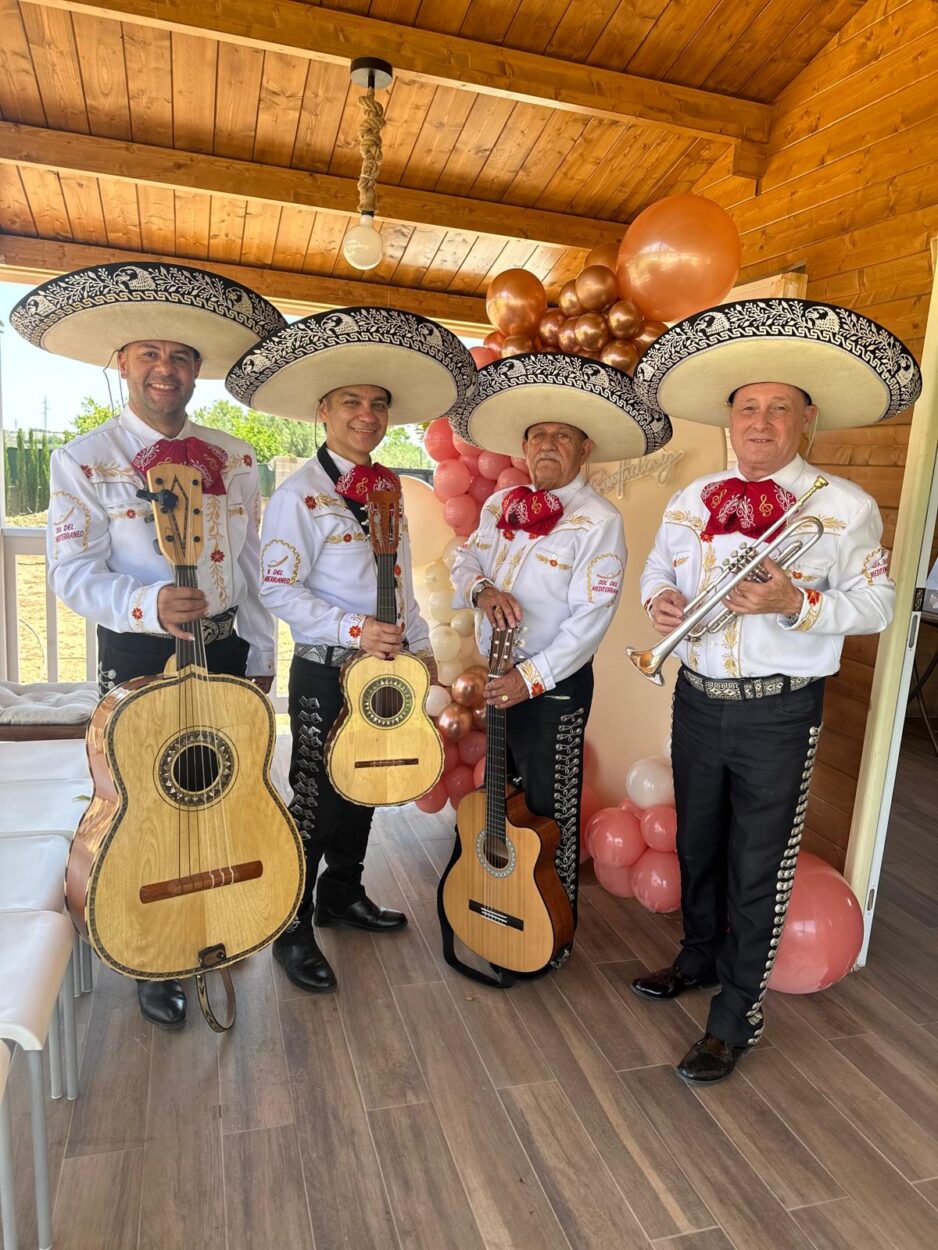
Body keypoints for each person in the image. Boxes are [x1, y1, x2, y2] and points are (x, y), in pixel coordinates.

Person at [630, 298, 922, 1083]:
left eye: (778, 409)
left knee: (759, 862)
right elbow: (661, 568)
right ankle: (696, 959)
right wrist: (659, 601)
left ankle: (737, 1016)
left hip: (779, 709)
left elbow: (878, 605)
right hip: (696, 696)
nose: (760, 421)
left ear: (805, 420)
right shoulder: (694, 498)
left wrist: (797, 602)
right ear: (731, 419)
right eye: (748, 407)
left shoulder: (844, 507)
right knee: (697, 840)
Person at [12, 260, 286, 1029]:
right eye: (150, 354)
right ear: (123, 362)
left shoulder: (235, 456)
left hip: (227, 648)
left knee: (226, 791)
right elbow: (70, 572)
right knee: (148, 802)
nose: (166, 369)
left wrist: (261, 658)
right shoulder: (84, 458)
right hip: (139, 653)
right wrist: (146, 602)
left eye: (181, 356)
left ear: (198, 369)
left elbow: (257, 567)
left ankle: (220, 915)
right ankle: (155, 946)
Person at [226, 306, 476, 993]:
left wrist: (422, 651)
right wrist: (353, 631)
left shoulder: (392, 485)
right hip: (325, 671)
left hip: (388, 669)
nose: (365, 414)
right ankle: (292, 925)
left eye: (376, 404)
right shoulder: (298, 494)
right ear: (323, 413)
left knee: (370, 782)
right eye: (350, 403)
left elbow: (401, 581)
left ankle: (343, 896)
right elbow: (278, 588)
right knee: (316, 797)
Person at [447, 353, 672, 978]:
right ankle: (496, 902)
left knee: (552, 811)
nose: (548, 445)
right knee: (502, 797)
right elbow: (465, 563)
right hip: (497, 679)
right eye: (538, 435)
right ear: (524, 446)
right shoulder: (500, 506)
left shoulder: (599, 521)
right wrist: (482, 591)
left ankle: (553, 932)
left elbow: (589, 621)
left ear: (584, 449)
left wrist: (530, 679)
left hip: (551, 688)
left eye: (563, 437)